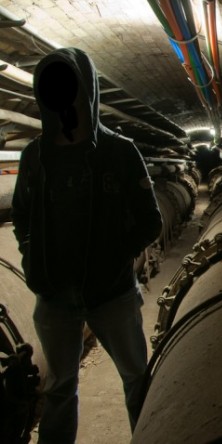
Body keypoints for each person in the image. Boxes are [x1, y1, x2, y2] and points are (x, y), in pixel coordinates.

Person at [11, 47, 163, 444]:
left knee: (137, 381)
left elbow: (151, 220)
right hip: (54, 297)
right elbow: (22, 213)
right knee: (59, 391)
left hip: (111, 295)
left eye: (69, 85)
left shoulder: (119, 152)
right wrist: (30, 256)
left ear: (86, 91)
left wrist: (114, 259)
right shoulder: (34, 157)